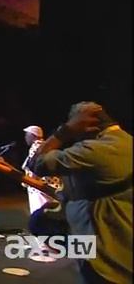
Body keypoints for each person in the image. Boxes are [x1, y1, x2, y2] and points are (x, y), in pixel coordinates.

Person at [28, 102, 132, 283]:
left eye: (75, 124)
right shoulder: (127, 141)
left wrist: (65, 131)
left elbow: (37, 163)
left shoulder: (95, 149)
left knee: (38, 222)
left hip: (102, 248)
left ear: (88, 124)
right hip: (124, 237)